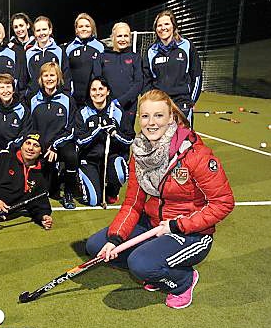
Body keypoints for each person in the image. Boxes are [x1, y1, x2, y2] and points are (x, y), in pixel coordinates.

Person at [85, 89, 234, 309]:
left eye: (158, 116)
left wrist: (178, 225)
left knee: (140, 264)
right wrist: (115, 239)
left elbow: (224, 203)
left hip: (191, 233)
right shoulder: (140, 152)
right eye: (145, 116)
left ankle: (183, 281)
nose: (151, 123)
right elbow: (133, 204)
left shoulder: (195, 155)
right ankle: (155, 266)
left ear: (171, 117)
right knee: (97, 245)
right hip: (154, 225)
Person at [75, 77, 134, 206]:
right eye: (93, 89)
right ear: (89, 92)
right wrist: (97, 130)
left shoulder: (117, 112)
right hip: (89, 159)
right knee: (93, 201)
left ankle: (112, 192)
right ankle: (89, 181)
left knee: (119, 172)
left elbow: (130, 139)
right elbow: (79, 140)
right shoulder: (82, 113)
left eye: (101, 89)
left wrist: (115, 133)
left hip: (111, 157)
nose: (97, 93)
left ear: (107, 91)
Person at [29, 62, 77, 209]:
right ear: (40, 79)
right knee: (49, 191)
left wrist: (55, 145)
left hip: (61, 143)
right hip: (41, 145)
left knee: (71, 156)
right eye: (46, 75)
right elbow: (30, 127)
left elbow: (71, 129)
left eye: (52, 75)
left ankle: (69, 193)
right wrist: (39, 146)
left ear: (58, 78)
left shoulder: (67, 99)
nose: (49, 79)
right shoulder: (32, 99)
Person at [143, 10, 202, 126]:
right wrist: (151, 102)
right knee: (160, 140)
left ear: (173, 26)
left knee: (183, 141)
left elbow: (197, 75)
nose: (163, 28)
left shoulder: (187, 46)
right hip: (159, 103)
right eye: (159, 25)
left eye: (166, 24)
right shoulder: (151, 51)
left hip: (182, 101)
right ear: (155, 29)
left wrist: (191, 100)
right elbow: (146, 79)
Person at [98, 22, 143, 134]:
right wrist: (106, 102)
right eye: (119, 36)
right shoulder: (102, 57)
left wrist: (119, 101)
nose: (122, 39)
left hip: (128, 107)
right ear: (113, 37)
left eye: (125, 36)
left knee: (124, 139)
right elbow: (97, 81)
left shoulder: (135, 57)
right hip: (106, 106)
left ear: (130, 38)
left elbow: (138, 83)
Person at [0, 73, 32, 156]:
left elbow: (25, 133)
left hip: (15, 152)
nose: (6, 91)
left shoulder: (22, 109)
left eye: (8, 87)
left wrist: (11, 147)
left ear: (13, 90)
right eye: (2, 87)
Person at [63, 13, 105, 107]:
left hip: (94, 98)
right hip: (73, 98)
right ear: (76, 30)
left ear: (92, 28)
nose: (84, 29)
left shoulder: (100, 47)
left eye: (87, 26)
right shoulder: (69, 48)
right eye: (80, 26)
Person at [25, 16, 71, 100]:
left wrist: (66, 96)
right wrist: (28, 97)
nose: (41, 33)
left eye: (44, 29)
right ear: (34, 33)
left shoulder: (59, 51)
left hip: (56, 99)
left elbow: (66, 76)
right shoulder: (29, 53)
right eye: (38, 30)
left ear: (50, 30)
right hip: (34, 100)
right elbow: (25, 78)